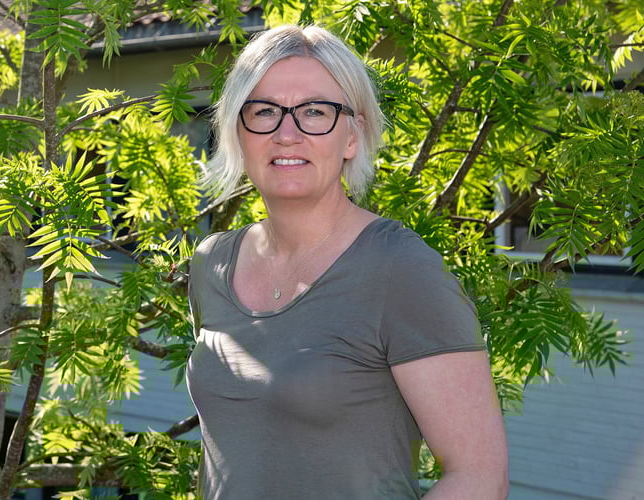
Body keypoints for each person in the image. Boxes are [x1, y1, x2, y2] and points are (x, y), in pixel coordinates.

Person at [185, 24, 508, 499]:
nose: (287, 134)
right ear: (238, 130)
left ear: (352, 136)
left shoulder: (400, 269)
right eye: (264, 111)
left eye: (315, 111)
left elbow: (480, 476)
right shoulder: (212, 264)